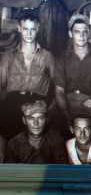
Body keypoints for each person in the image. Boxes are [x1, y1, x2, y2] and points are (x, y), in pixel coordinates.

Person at [0, 9, 55, 140]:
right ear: (19, 28)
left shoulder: (47, 56)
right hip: (13, 101)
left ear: (38, 28)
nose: (29, 33)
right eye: (25, 29)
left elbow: (57, 85)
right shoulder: (8, 56)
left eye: (32, 29)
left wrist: (50, 106)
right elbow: (1, 85)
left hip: (38, 100)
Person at [55, 13, 91, 134]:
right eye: (77, 32)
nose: (82, 36)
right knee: (53, 121)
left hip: (90, 100)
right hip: (67, 100)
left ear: (89, 33)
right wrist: (66, 117)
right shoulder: (62, 58)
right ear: (70, 34)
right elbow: (59, 91)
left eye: (85, 32)